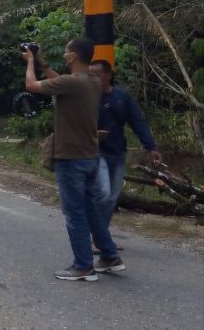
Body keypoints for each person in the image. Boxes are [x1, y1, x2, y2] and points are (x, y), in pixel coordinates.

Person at [23, 38, 124, 281]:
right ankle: (109, 256)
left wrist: (29, 63)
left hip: (71, 157)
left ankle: (83, 266)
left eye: (67, 51)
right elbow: (60, 81)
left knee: (75, 213)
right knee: (90, 211)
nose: (65, 54)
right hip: (89, 155)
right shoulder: (91, 82)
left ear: (73, 56)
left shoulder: (72, 83)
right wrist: (42, 62)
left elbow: (32, 85)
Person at [90, 60, 160, 236]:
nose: (93, 79)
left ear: (108, 75)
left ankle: (101, 235)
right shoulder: (87, 97)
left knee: (113, 197)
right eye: (90, 75)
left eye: (97, 75)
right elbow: (74, 122)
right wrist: (92, 134)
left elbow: (137, 121)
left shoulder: (122, 97)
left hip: (118, 151)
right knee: (103, 193)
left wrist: (150, 146)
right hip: (95, 152)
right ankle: (98, 237)